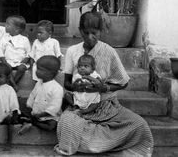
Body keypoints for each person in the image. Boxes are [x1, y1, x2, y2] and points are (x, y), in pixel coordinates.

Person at [54, 12, 153, 156]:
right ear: (79, 30)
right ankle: (102, 144)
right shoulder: (72, 51)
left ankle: (100, 144)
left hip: (106, 105)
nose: (89, 37)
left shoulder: (109, 51)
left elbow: (123, 82)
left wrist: (103, 88)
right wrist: (77, 87)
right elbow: (67, 84)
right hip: (80, 104)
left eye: (94, 33)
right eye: (85, 33)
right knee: (66, 122)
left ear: (101, 31)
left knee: (139, 125)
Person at [18, 55, 64, 135]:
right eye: (37, 68)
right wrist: (29, 105)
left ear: (51, 73)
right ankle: (30, 121)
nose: (36, 71)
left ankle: (32, 123)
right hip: (35, 112)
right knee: (20, 115)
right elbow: (32, 95)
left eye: (40, 70)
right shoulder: (39, 83)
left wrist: (41, 115)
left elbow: (55, 107)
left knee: (52, 126)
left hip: (49, 116)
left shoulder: (57, 88)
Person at [0, 15, 31, 90]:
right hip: (8, 61)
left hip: (20, 62)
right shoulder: (4, 38)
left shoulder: (24, 39)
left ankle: (13, 83)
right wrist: (4, 61)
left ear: (17, 29)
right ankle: (13, 85)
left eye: (8, 24)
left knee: (22, 68)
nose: (5, 26)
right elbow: (1, 52)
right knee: (7, 68)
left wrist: (25, 59)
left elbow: (29, 52)